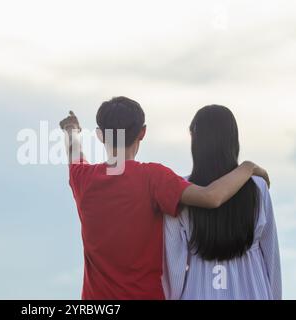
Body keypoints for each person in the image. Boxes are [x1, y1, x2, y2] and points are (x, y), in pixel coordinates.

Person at [59, 97, 270, 300]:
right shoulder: (154, 178)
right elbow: (212, 197)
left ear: (100, 135)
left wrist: (71, 130)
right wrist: (247, 167)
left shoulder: (82, 178)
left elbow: (74, 154)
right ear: (142, 132)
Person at [162, 105, 281, 300]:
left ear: (194, 139)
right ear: (233, 140)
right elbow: (271, 257)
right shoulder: (258, 187)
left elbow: (174, 269)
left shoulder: (182, 192)